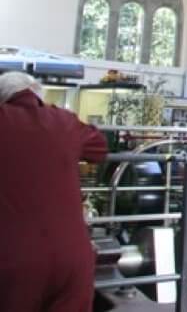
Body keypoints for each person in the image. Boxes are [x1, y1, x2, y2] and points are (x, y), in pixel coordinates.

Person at [0, 72, 108, 311]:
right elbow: (99, 148)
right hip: (73, 259)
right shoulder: (64, 121)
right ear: (39, 96)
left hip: (12, 260)